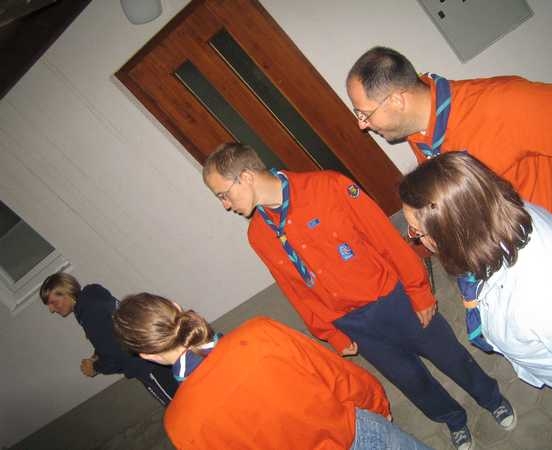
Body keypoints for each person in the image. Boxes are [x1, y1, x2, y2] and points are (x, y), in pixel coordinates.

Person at [201, 142, 515, 450]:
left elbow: (386, 239)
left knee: (448, 354)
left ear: (246, 177)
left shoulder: (328, 187)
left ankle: (490, 398)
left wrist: (418, 290)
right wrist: (330, 332)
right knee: (410, 380)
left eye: (223, 194)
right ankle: (452, 419)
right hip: (352, 323)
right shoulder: (259, 235)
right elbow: (294, 290)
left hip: (393, 299)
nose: (225, 205)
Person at [398, 151, 552, 450]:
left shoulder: (550, 303)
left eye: (417, 231)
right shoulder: (502, 219)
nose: (416, 240)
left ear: (451, 231)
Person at [346, 46, 552, 251]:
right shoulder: (420, 130)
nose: (361, 125)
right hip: (508, 247)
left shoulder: (500, 103)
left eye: (365, 113)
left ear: (397, 101)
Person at [112, 293, 431, 450]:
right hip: (357, 435)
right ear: (176, 307)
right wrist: (377, 405)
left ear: (146, 354)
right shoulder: (260, 333)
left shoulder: (179, 424)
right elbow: (337, 375)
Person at [40, 272, 178, 405]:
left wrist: (95, 367)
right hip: (154, 352)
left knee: (177, 404)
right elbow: (111, 336)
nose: (51, 309)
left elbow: (115, 357)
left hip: (146, 366)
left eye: (53, 302)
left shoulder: (89, 315)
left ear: (67, 292)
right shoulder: (93, 298)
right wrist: (96, 355)